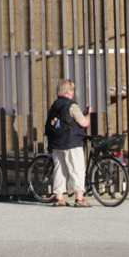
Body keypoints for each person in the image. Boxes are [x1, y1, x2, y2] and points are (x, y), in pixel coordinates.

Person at [45, 79, 92, 207]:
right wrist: (88, 114)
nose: (73, 92)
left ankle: (59, 198)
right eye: (71, 89)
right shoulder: (72, 106)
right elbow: (84, 123)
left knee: (60, 170)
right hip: (71, 143)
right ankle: (79, 198)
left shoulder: (55, 105)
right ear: (68, 91)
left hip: (56, 143)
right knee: (77, 169)